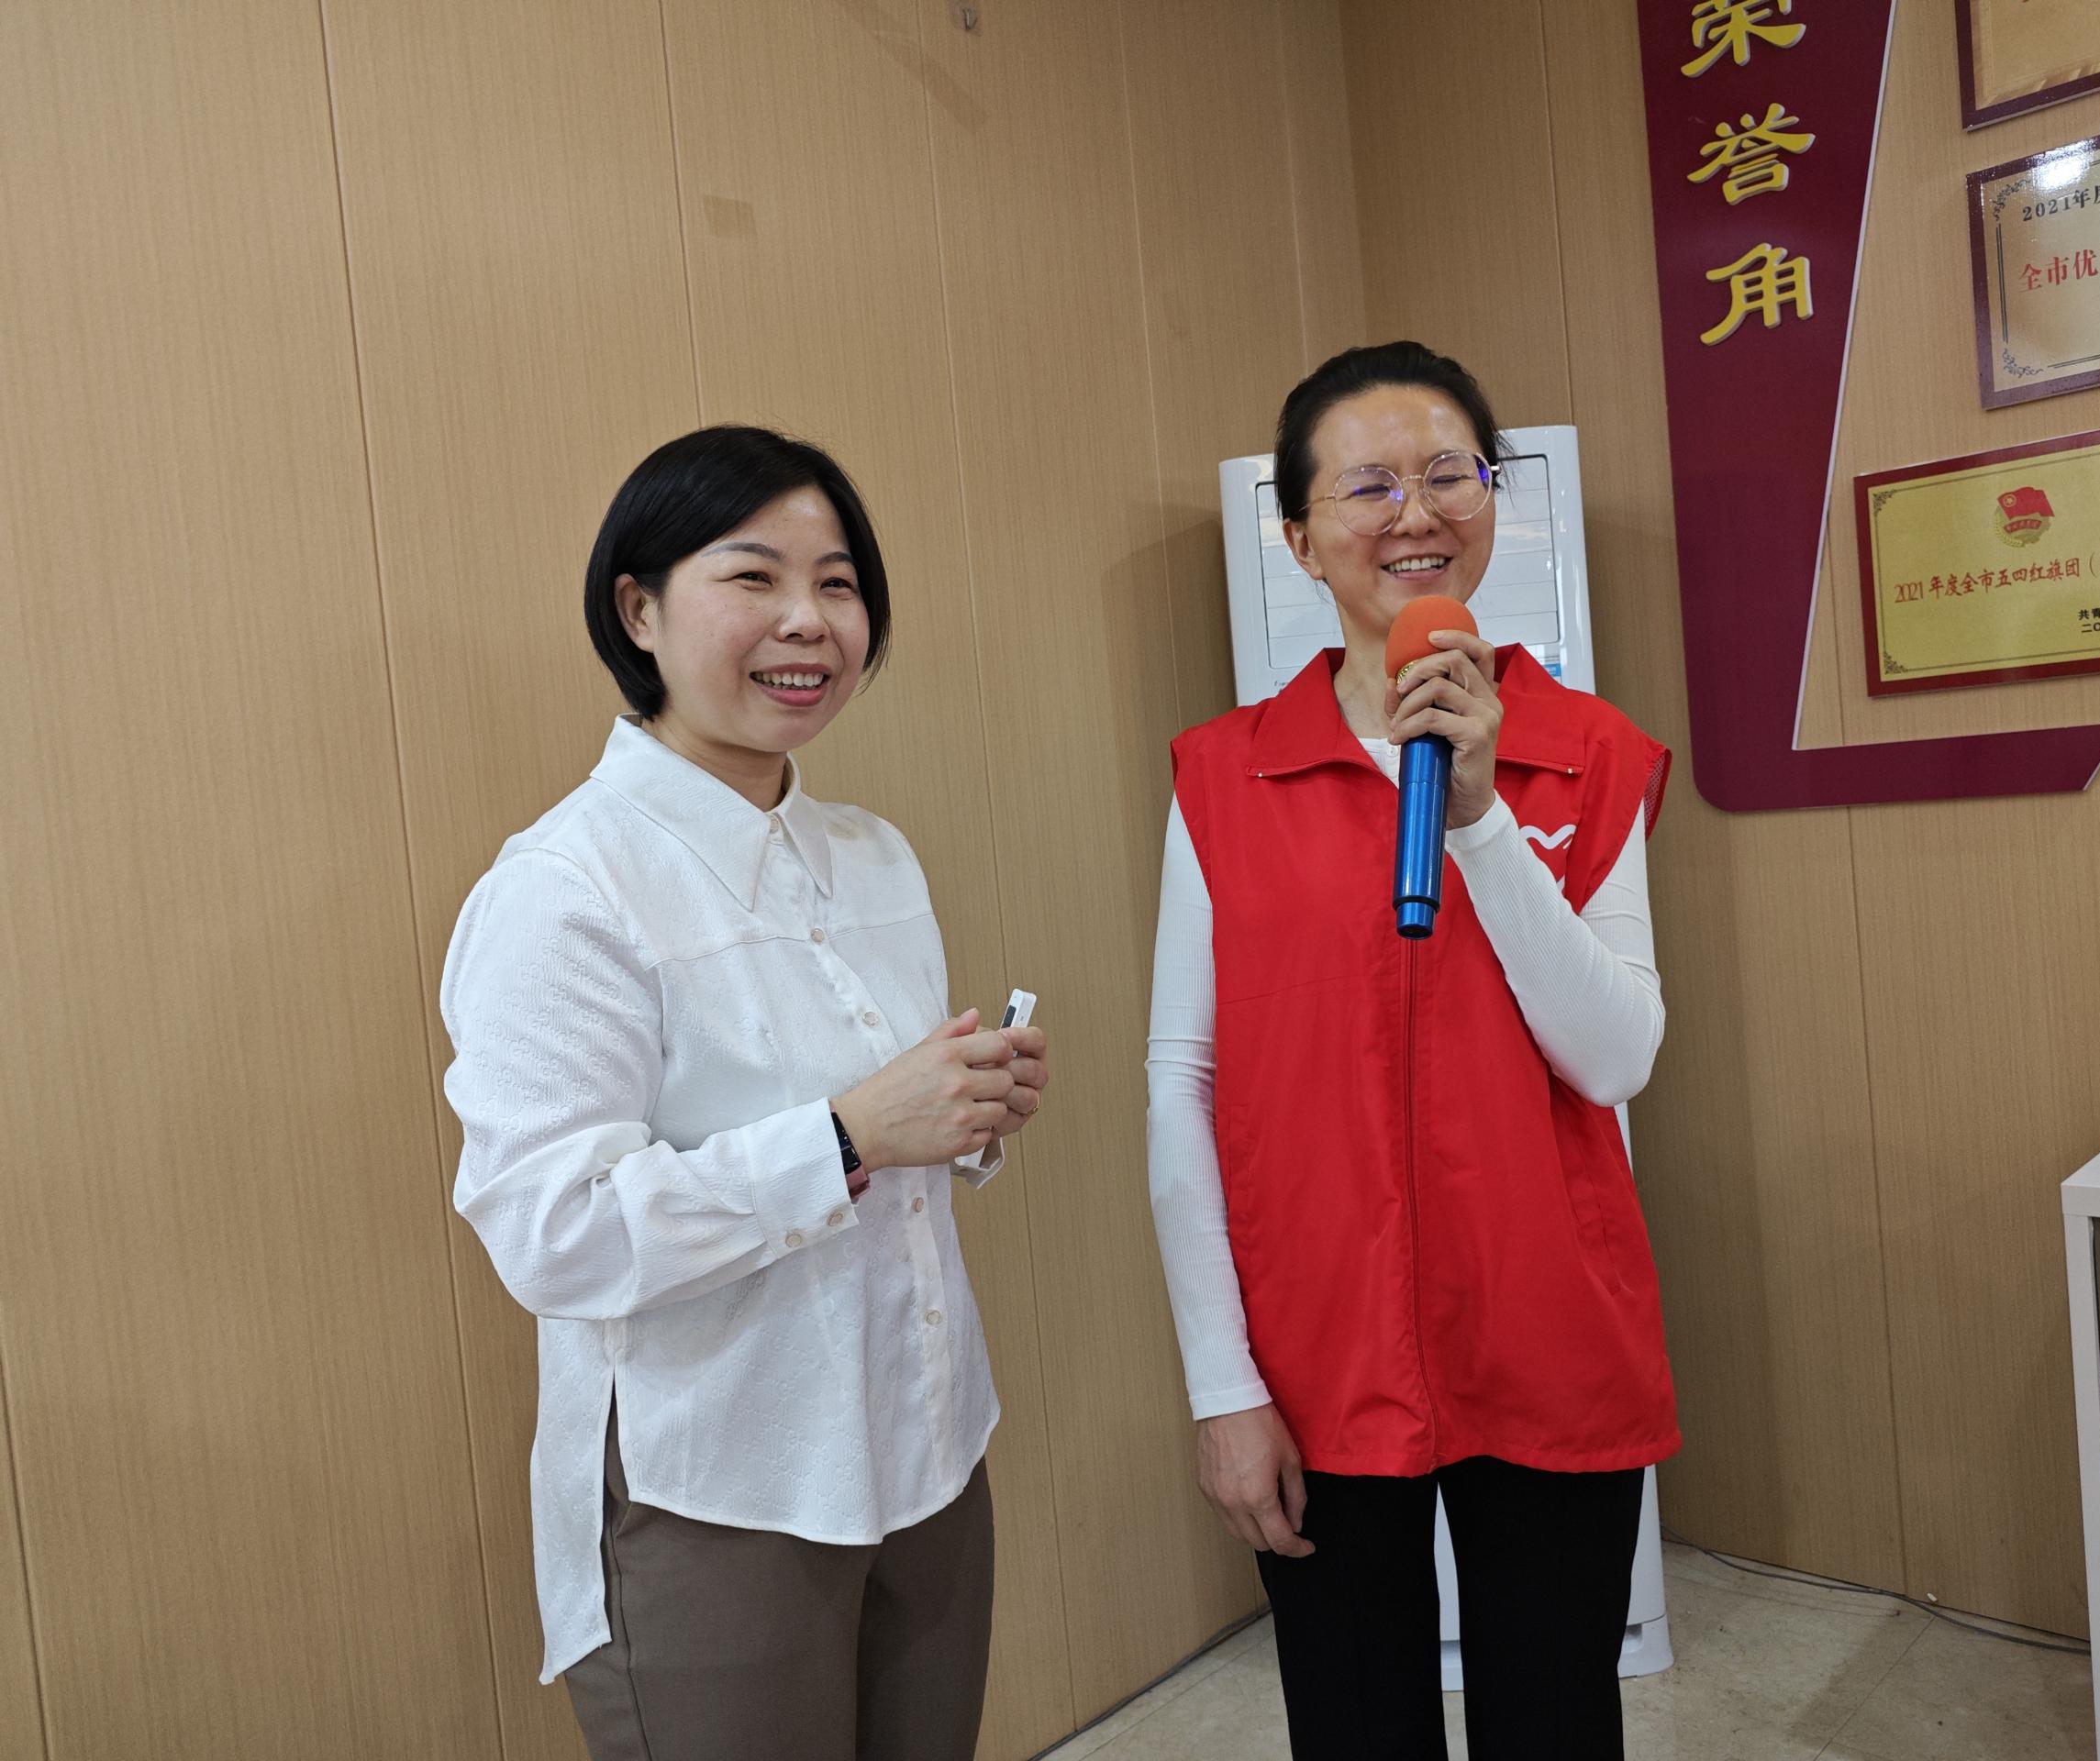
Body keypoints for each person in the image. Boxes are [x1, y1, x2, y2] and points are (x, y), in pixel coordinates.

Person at [440, 426, 1047, 1761]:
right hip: (716, 1486)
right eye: (754, 577)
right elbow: (555, 1231)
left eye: (838, 584)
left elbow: (893, 1132)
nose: (808, 622)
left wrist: (965, 1113)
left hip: (927, 1445)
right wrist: (846, 1138)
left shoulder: (874, 856)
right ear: (639, 610)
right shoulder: (566, 888)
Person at [1146, 342, 1676, 1760]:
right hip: (1316, 1352)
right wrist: (1221, 1384)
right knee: (1356, 1723)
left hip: (1549, 1331)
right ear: (1298, 533)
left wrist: (1485, 818)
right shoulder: (1226, 772)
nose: (1417, 512)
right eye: (1368, 485)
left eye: (1450, 473)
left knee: (1555, 1722)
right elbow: (1183, 1081)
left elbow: (1616, 1056)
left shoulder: (1587, 749)